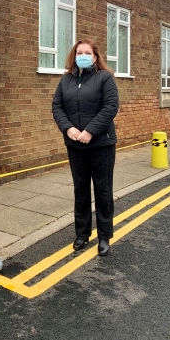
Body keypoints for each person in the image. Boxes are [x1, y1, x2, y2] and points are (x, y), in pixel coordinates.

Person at [52, 38, 119, 257]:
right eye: (79, 52)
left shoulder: (105, 78)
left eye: (88, 53)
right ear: (74, 56)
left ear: (95, 56)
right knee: (80, 190)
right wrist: (68, 128)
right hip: (75, 145)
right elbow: (57, 106)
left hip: (101, 143)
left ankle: (104, 236)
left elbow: (110, 107)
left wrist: (90, 131)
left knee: (102, 190)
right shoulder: (65, 81)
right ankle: (82, 233)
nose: (83, 55)